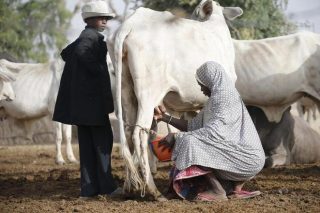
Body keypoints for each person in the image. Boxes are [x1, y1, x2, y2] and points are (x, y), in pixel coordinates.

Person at [153, 61, 265, 201]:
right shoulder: (218, 98)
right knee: (190, 139)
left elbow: (214, 133)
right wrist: (164, 117)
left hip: (247, 159)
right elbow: (194, 126)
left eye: (202, 85)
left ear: (211, 81)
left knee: (189, 142)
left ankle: (217, 190)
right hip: (246, 156)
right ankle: (235, 189)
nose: (201, 89)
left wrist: (177, 136)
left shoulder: (223, 99)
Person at [53, 1, 122, 198]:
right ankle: (108, 188)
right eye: (101, 18)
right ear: (89, 19)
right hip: (93, 105)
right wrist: (100, 71)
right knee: (102, 145)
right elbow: (82, 52)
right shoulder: (90, 38)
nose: (105, 21)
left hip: (82, 107)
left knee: (87, 149)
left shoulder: (84, 36)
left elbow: (66, 53)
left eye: (107, 18)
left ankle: (88, 190)